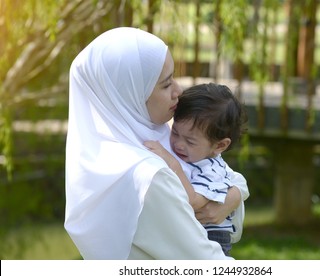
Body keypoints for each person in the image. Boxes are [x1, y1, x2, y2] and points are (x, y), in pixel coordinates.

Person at [64, 27, 249, 260]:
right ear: (130, 93)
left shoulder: (140, 141)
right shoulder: (150, 174)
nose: (178, 90)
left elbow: (226, 175)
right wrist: (233, 196)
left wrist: (235, 194)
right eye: (166, 84)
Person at [144, 83, 248, 256]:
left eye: (190, 141)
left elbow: (193, 201)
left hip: (212, 238)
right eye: (175, 132)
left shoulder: (211, 171)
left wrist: (172, 162)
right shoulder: (195, 156)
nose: (178, 144)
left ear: (220, 145)